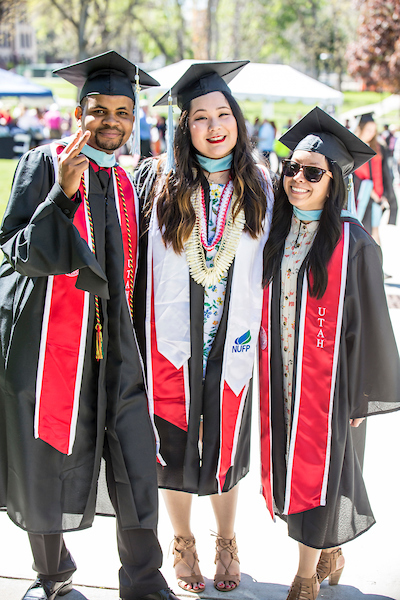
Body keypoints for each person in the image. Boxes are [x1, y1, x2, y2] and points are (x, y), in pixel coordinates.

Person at [0, 50, 179, 600]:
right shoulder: (43, 162)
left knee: (135, 459)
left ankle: (145, 583)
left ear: (135, 119)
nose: (110, 122)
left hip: (116, 347)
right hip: (53, 347)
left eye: (122, 112)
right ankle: (50, 577)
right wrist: (63, 194)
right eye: (98, 110)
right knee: (48, 454)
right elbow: (15, 251)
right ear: (79, 114)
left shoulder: (127, 184)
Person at [133, 61, 274, 594]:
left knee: (225, 448)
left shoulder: (262, 186)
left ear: (236, 120)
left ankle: (227, 540)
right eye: (200, 118)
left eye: (223, 114)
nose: (215, 127)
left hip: (231, 342)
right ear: (184, 127)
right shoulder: (160, 183)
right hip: (174, 341)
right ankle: (183, 542)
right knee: (172, 447)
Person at [259, 106, 400, 600]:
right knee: (297, 473)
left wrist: (361, 395)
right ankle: (329, 552)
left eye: (312, 173)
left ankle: (304, 575)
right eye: (291, 169)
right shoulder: (276, 232)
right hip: (281, 380)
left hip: (331, 386)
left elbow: (373, 327)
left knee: (319, 472)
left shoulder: (354, 242)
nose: (298, 180)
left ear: (334, 181)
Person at [353, 113, 397, 242]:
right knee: (359, 231)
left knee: (375, 231)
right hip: (360, 195)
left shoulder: (378, 147)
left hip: (377, 196)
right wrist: (370, 192)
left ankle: (376, 260)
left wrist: (384, 194)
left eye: (374, 130)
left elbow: (385, 174)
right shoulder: (354, 148)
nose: (372, 133)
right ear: (360, 128)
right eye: (368, 130)